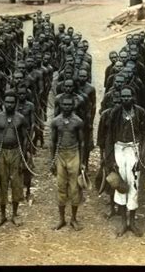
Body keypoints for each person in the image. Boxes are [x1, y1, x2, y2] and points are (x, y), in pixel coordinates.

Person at [105, 86, 145, 237]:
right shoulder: (115, 113)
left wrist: (140, 157)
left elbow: (144, 136)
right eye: (123, 97)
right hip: (118, 149)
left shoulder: (140, 112)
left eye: (128, 96)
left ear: (133, 97)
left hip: (133, 150)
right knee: (120, 184)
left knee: (134, 185)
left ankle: (133, 222)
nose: (125, 99)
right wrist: (110, 160)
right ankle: (123, 222)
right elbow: (109, 137)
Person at [0, 92, 29, 228]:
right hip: (2, 153)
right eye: (7, 102)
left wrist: (23, 156)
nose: (9, 105)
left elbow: (25, 139)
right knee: (2, 183)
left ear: (16, 103)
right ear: (3, 102)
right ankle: (2, 215)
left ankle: (14, 214)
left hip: (16, 152)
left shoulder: (20, 119)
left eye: (12, 102)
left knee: (16, 183)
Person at [49, 95, 86, 231]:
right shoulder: (56, 122)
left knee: (75, 187)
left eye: (69, 105)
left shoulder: (78, 121)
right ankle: (61, 219)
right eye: (64, 104)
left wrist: (82, 161)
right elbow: (52, 142)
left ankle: (74, 219)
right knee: (61, 186)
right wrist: (52, 160)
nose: (66, 107)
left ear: (73, 106)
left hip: (73, 154)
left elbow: (82, 142)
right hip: (60, 154)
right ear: (60, 105)